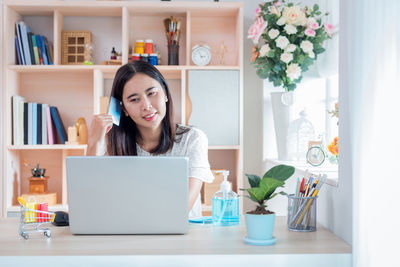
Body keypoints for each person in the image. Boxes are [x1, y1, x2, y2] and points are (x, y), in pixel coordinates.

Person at [86, 61, 214, 218]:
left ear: (165, 94)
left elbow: (181, 208)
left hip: (180, 237)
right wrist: (93, 142)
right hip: (129, 234)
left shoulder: (192, 139)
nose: (146, 106)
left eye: (152, 93)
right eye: (134, 99)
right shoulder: (111, 144)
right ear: (123, 109)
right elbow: (90, 201)